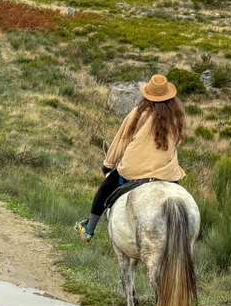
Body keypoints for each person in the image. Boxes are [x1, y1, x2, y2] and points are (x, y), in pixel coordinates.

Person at [76, 74, 186, 241]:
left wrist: (109, 164)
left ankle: (89, 229)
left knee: (105, 188)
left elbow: (122, 140)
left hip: (135, 169)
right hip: (166, 172)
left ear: (148, 95)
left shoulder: (138, 113)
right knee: (180, 200)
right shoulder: (176, 117)